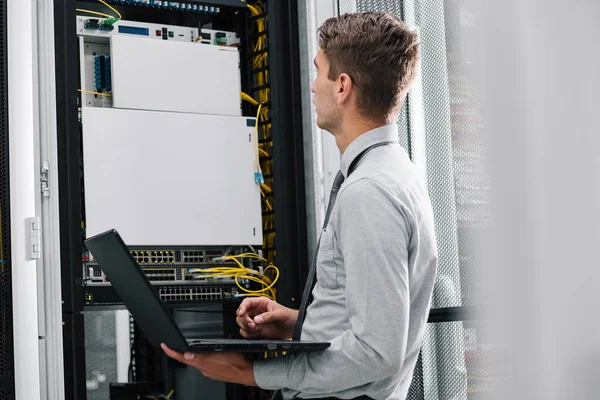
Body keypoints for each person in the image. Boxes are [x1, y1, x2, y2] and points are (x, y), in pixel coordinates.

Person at [162, 11, 438, 400]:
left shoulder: (369, 192)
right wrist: (298, 324)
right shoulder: (395, 173)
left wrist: (252, 373)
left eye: (318, 71)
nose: (312, 86)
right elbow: (374, 319)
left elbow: (377, 352)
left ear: (342, 86)